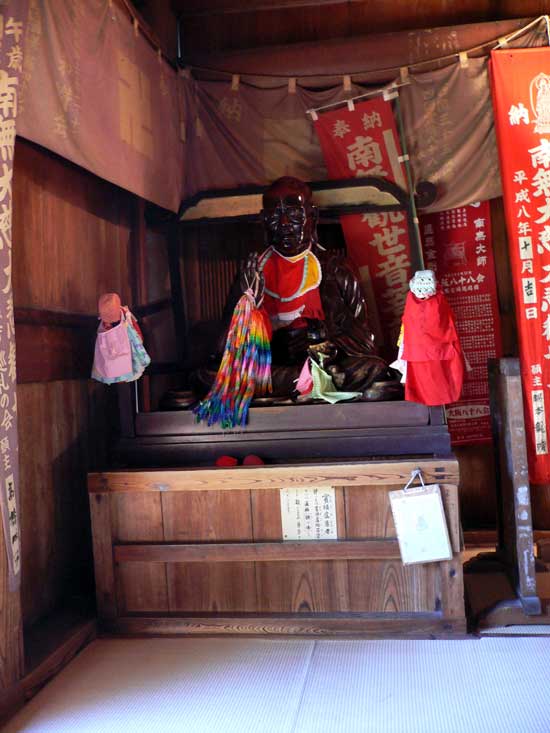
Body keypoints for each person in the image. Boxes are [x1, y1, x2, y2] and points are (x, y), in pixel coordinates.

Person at [196, 176, 402, 402]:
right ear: (264, 220)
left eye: (294, 214)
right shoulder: (251, 271)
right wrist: (246, 301)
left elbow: (364, 342)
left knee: (373, 368)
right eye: (275, 216)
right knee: (210, 373)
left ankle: (309, 381)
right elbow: (223, 349)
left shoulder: (335, 268)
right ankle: (310, 383)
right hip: (270, 366)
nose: (284, 223)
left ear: (312, 217)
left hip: (322, 362)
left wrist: (319, 337)